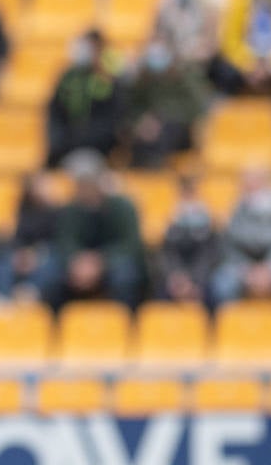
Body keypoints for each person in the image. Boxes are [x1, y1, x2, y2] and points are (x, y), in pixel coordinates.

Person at [50, 149, 146, 310]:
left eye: (86, 181)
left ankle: (122, 322)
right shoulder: (71, 210)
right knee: (51, 273)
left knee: (125, 275)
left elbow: (131, 244)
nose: (82, 186)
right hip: (80, 263)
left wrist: (100, 261)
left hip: (112, 262)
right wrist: (77, 261)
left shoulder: (122, 206)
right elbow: (64, 240)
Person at [212, 164, 271, 314]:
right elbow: (228, 247)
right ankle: (234, 328)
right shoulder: (236, 210)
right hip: (245, 267)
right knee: (222, 284)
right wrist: (246, 270)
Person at [123, 39, 210, 168]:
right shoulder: (146, 78)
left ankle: (157, 170)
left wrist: (162, 117)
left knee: (163, 134)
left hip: (181, 127)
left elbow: (199, 107)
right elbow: (135, 105)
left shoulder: (187, 76)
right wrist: (141, 121)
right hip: (151, 126)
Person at [47, 29, 122, 166]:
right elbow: (56, 113)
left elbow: (111, 120)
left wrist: (83, 140)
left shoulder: (109, 80)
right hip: (65, 149)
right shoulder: (68, 78)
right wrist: (60, 143)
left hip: (98, 151)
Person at [0, 171, 62, 301]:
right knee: (3, 261)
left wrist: (36, 254)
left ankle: (31, 292)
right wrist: (20, 253)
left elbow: (58, 242)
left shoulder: (58, 213)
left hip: (46, 253)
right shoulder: (23, 211)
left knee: (52, 263)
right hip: (24, 252)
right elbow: (17, 237)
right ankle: (2, 298)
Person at [156, 175, 222, 304]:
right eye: (185, 193)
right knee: (160, 291)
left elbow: (210, 256)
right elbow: (166, 254)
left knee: (216, 289)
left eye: (191, 193)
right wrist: (175, 277)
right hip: (175, 278)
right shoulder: (171, 223)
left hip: (201, 278)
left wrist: (194, 281)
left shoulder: (209, 224)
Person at [152, 0, 222, 67]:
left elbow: (212, 42)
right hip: (174, 54)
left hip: (198, 57)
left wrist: (197, 51)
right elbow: (158, 32)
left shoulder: (211, 1)